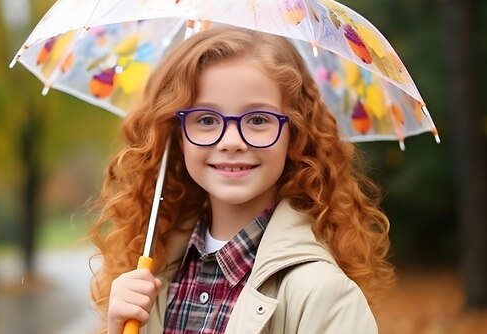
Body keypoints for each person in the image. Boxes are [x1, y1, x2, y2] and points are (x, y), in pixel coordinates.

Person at [89, 26, 395, 334]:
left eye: (258, 120)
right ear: (176, 136)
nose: (232, 141)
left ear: (295, 135)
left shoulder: (323, 295)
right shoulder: (153, 274)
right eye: (206, 119)